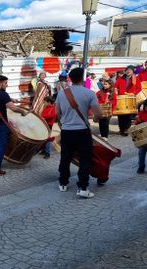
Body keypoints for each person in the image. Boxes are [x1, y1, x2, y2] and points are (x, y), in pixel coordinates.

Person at [55, 68, 102, 198]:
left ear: (70, 78)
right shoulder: (89, 93)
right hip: (82, 131)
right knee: (85, 159)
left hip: (66, 131)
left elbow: (57, 113)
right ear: (83, 78)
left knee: (65, 157)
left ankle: (63, 183)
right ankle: (82, 187)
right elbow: (99, 114)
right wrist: (96, 119)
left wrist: (63, 122)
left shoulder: (61, 93)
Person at [0, 75, 27, 176]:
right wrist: (22, 111)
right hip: (1, 124)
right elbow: (13, 108)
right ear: (0, 83)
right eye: (5, 83)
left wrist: (11, 99)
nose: (7, 85)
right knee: (2, 146)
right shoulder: (3, 94)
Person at [114, 65, 141, 136]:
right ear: (125, 71)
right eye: (127, 70)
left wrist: (133, 93)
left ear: (132, 71)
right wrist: (116, 91)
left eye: (130, 70)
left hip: (130, 98)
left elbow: (139, 88)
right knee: (120, 115)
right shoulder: (120, 78)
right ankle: (121, 129)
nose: (128, 71)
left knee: (128, 114)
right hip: (121, 98)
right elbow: (115, 86)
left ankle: (126, 129)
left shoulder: (135, 78)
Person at [134, 100, 147, 174]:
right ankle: (141, 167)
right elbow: (136, 124)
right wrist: (138, 121)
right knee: (142, 152)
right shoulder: (141, 113)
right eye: (146, 107)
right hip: (143, 137)